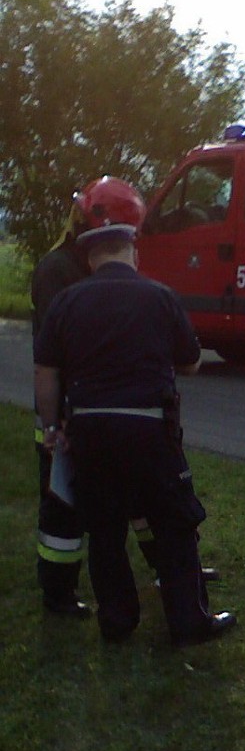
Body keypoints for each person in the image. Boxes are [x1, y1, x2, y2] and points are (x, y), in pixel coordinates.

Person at [33, 176, 236, 646]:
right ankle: (189, 622)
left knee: (105, 531)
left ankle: (117, 622)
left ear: (89, 253)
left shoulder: (66, 300)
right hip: (150, 433)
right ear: (131, 248)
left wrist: (51, 427)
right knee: (174, 525)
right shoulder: (159, 296)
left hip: (89, 433)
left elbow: (46, 373)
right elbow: (190, 362)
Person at [30, 202, 92, 616]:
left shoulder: (84, 265)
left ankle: (171, 568)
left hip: (87, 405)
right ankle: (58, 595)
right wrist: (57, 421)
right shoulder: (57, 269)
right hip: (63, 411)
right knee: (62, 506)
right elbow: (54, 350)